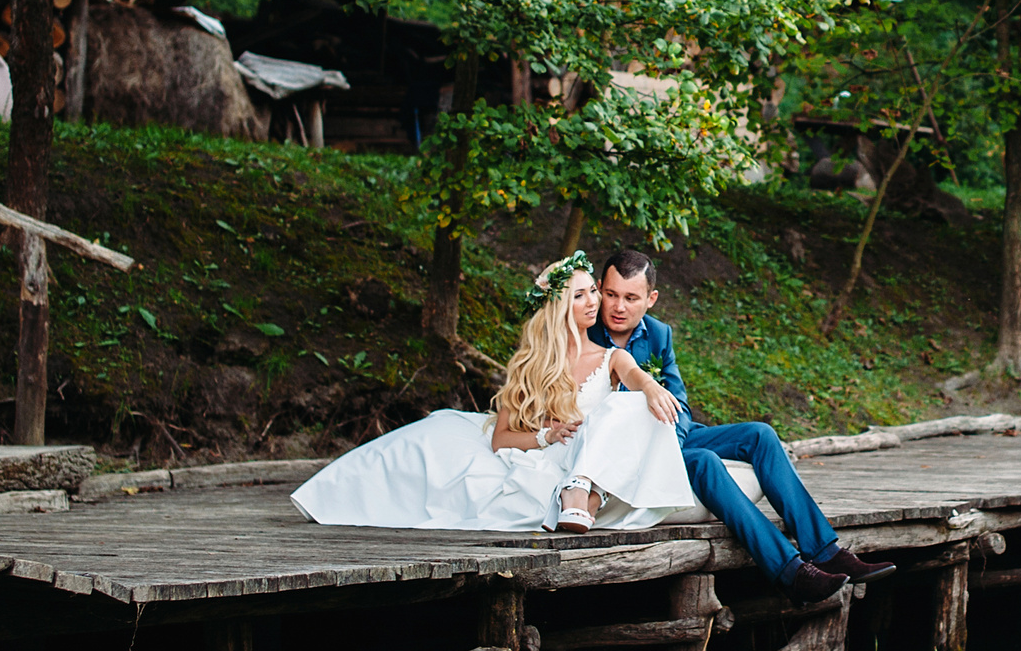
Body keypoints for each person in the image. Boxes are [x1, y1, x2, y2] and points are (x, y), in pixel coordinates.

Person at [292, 252, 696, 531]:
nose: (596, 301)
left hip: (592, 454)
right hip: (558, 448)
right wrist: (547, 435)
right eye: (582, 294)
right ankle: (335, 495)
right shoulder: (533, 364)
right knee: (418, 448)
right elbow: (502, 438)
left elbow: (632, 373)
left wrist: (648, 387)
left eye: (594, 290)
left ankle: (583, 492)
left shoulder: (610, 358)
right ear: (559, 307)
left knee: (628, 405)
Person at [588, 247, 895, 603]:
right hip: (627, 450)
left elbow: (680, 404)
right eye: (610, 295)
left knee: (760, 435)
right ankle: (790, 572)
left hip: (670, 434)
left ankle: (825, 550)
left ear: (651, 298)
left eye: (630, 297)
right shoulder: (584, 333)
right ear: (599, 289)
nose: (618, 307)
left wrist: (672, 437)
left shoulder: (658, 334)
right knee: (704, 461)